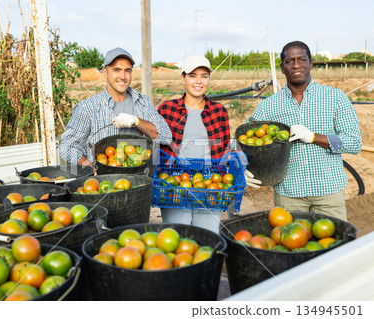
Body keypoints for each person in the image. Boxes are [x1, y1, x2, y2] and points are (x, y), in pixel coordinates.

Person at [247, 41, 362, 220]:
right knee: (291, 245)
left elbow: (353, 142)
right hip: (288, 195)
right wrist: (243, 165)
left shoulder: (335, 97)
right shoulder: (267, 106)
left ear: (311, 63)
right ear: (282, 68)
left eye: (301, 59)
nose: (296, 65)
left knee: (333, 246)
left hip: (328, 193)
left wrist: (313, 137)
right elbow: (245, 139)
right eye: (289, 61)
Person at [157, 54, 232, 233]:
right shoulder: (166, 109)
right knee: (176, 237)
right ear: (183, 78)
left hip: (210, 183)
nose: (198, 81)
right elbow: (156, 146)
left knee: (208, 237)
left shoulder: (219, 111)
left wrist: (237, 162)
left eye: (204, 76)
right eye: (192, 75)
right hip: (174, 183)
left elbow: (225, 148)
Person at [59, 47, 172, 165]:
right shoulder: (87, 108)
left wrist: (136, 121)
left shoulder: (143, 102)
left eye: (127, 70)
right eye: (116, 70)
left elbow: (166, 136)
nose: (123, 76)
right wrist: (91, 168)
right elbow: (67, 147)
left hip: (141, 178)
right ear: (105, 72)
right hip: (103, 181)